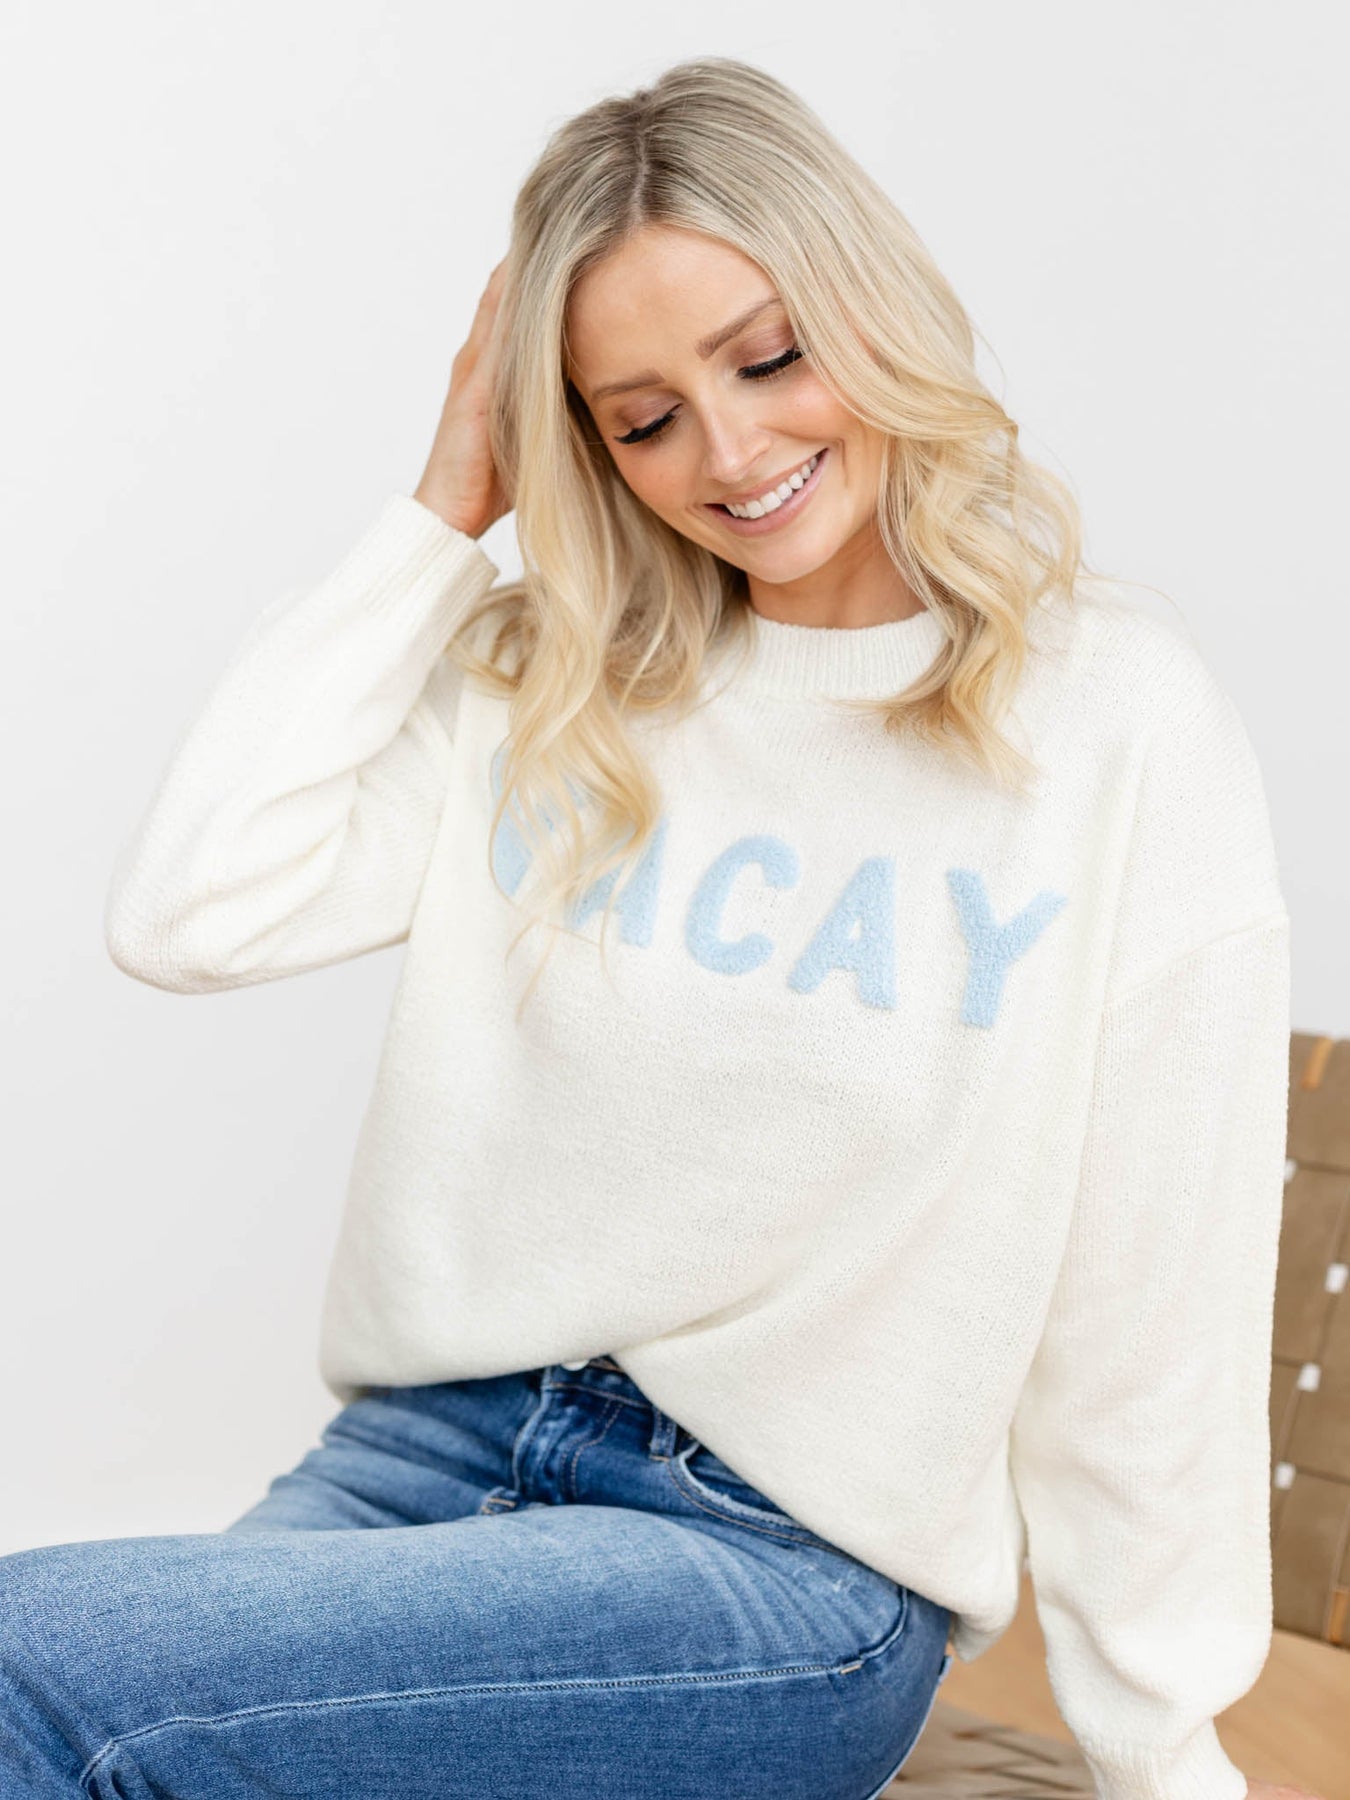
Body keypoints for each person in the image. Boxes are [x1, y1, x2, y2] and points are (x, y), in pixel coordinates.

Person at [0, 55, 1317, 1800]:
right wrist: (442, 508)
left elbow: (1153, 1285)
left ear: (869, 308)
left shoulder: (1109, 717)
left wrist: (1154, 1748)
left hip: (765, 1566)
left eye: (767, 358)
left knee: (24, 1664)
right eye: (640, 419)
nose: (732, 452)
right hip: (417, 1472)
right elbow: (190, 911)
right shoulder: (549, 682)